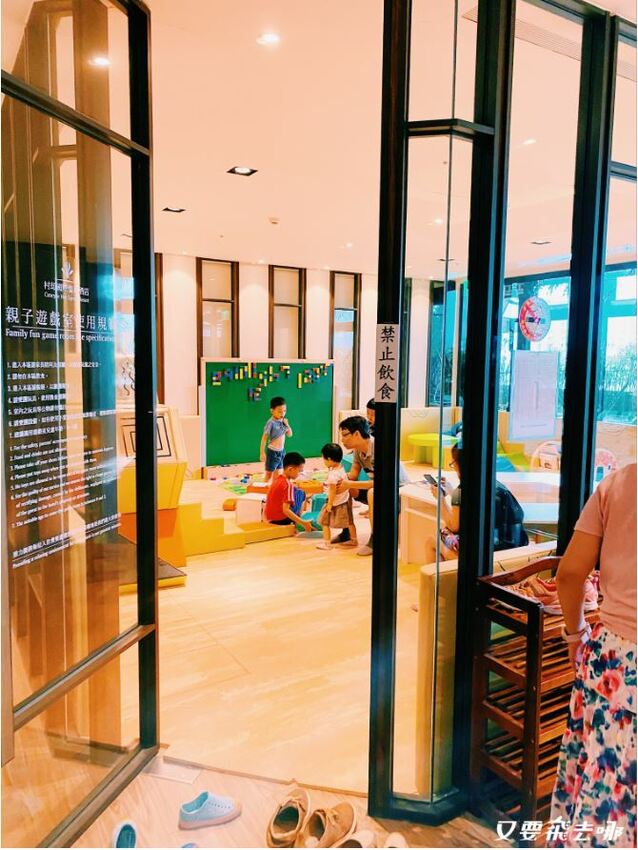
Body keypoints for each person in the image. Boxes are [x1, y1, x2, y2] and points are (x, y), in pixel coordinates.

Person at [549, 462, 636, 848]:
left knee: (601, 786)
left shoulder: (619, 483)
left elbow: (569, 573)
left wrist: (575, 633)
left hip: (614, 659)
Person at [337, 415, 409, 556]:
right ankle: (347, 530)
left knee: (372, 493)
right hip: (379, 488)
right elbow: (353, 474)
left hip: (398, 490)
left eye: (345, 435)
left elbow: (383, 483)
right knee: (345, 488)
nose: (342, 439)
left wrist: (349, 483)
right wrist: (336, 478)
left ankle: (376, 540)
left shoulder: (379, 448)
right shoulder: (358, 450)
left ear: (357, 434)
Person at [425, 442, 462, 563]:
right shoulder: (491, 482)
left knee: (432, 541)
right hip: (500, 545)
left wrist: (440, 498)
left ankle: (442, 575)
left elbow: (453, 526)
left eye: (453, 463)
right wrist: (451, 491)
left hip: (475, 553)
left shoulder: (460, 492)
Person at [316, 443, 358, 551]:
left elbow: (332, 491)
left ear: (329, 459)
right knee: (350, 521)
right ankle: (354, 540)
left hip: (335, 502)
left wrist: (329, 504)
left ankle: (327, 544)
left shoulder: (333, 475)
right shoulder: (341, 468)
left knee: (324, 522)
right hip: (345, 500)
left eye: (323, 458)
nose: (323, 461)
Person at [264, 451, 313, 532]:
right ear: (290, 469)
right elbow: (286, 510)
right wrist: (303, 523)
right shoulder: (288, 485)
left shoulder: (277, 479)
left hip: (269, 517)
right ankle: (297, 521)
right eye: (299, 471)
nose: (299, 474)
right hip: (282, 520)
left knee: (296, 490)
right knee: (301, 493)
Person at [260, 396, 293, 483]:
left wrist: (287, 425)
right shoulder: (271, 423)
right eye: (279, 411)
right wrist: (262, 452)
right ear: (272, 411)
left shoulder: (283, 421)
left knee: (278, 474)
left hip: (281, 452)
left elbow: (290, 434)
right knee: (268, 474)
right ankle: (263, 488)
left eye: (284, 411)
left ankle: (274, 489)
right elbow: (264, 438)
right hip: (272, 452)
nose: (282, 413)